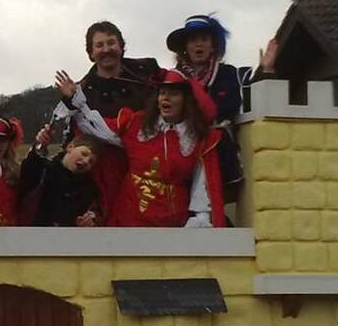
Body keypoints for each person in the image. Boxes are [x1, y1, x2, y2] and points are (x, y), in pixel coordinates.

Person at [57, 68, 226, 228]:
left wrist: (200, 218)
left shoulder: (196, 139)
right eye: (162, 93)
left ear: (185, 100)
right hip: (129, 219)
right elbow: (97, 128)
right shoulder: (137, 125)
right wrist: (75, 100)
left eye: (173, 94)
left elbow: (202, 184)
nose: (165, 98)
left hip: (172, 226)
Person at [51, 20, 161, 214]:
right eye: (99, 45)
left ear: (121, 46)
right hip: (103, 171)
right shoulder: (81, 92)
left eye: (111, 43)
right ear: (91, 52)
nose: (106, 49)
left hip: (149, 164)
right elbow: (66, 137)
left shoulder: (147, 71)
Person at [167, 14, 243, 198]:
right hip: (183, 149)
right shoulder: (174, 77)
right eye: (193, 40)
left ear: (213, 45)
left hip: (219, 152)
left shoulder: (228, 74)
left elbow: (230, 105)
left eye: (204, 39)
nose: (198, 45)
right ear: (185, 47)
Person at [19, 128, 104, 227]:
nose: (86, 161)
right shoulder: (44, 169)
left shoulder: (88, 187)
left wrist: (85, 222)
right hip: (34, 232)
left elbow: (90, 214)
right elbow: (27, 171)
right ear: (70, 147)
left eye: (91, 162)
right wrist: (40, 144)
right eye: (84, 154)